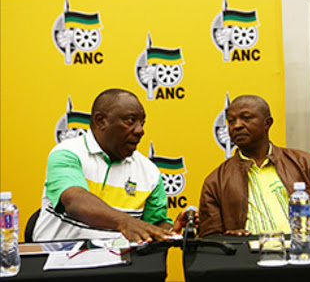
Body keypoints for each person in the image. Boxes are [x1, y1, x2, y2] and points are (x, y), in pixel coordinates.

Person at [33, 88, 196, 243]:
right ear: (101, 121)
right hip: (58, 265)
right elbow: (74, 201)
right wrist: (125, 222)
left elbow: (152, 226)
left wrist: (169, 232)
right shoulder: (68, 153)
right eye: (130, 121)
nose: (140, 130)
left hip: (119, 267)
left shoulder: (150, 172)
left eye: (142, 122)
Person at [199, 95, 310, 237]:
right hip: (248, 258)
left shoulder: (304, 162)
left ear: (267, 123)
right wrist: (233, 241)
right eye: (231, 121)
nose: (237, 125)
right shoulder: (215, 181)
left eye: (246, 118)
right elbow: (211, 238)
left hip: (304, 255)